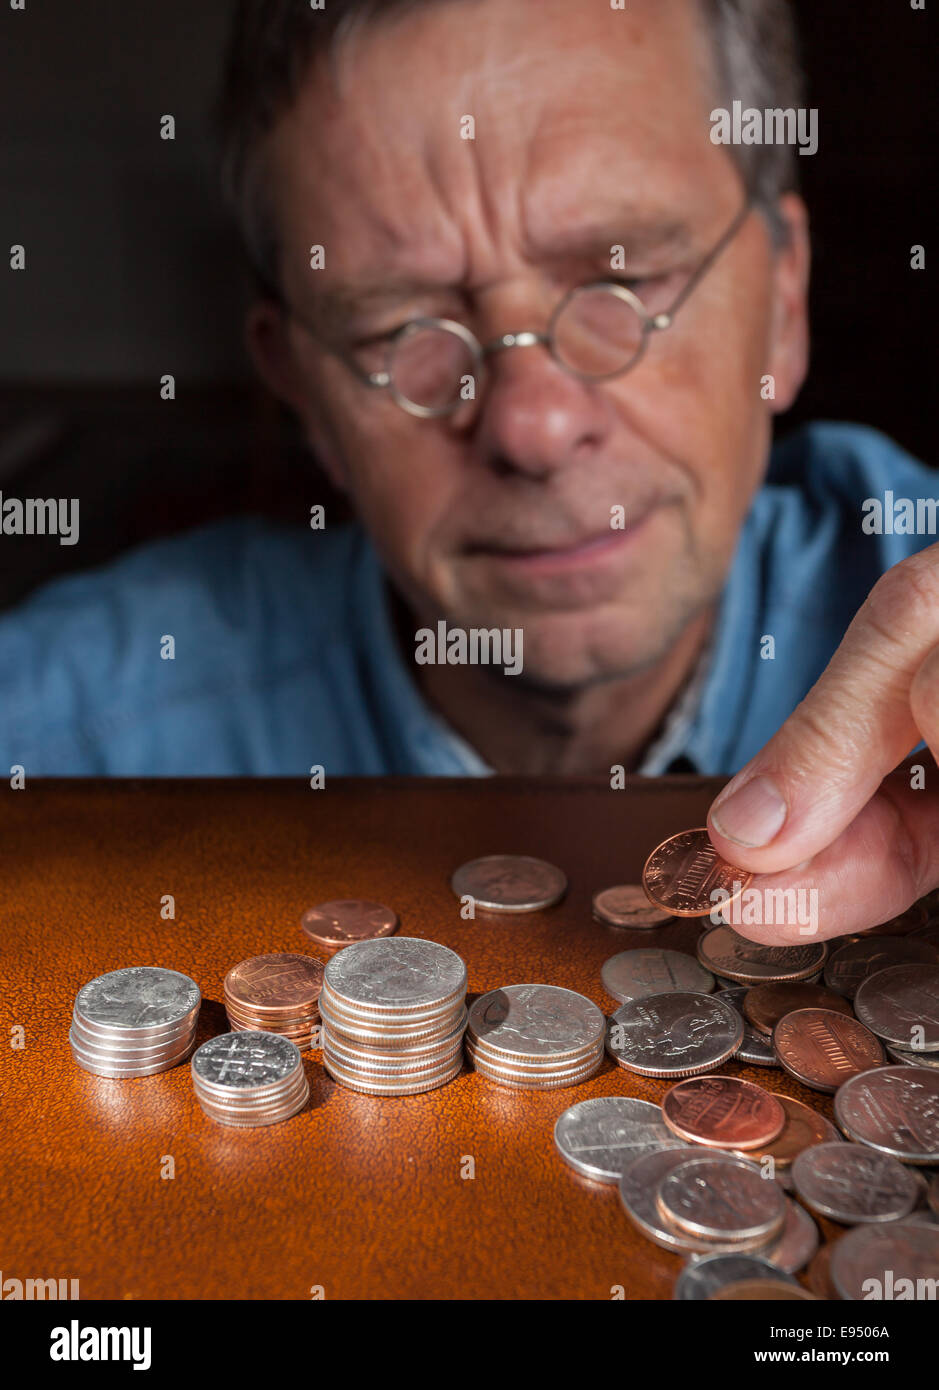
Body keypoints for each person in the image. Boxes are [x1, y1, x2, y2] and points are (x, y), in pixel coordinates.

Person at [0, 0, 936, 943]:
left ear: (782, 300)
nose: (531, 425)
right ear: (302, 393)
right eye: (397, 331)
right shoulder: (55, 734)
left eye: (622, 282)